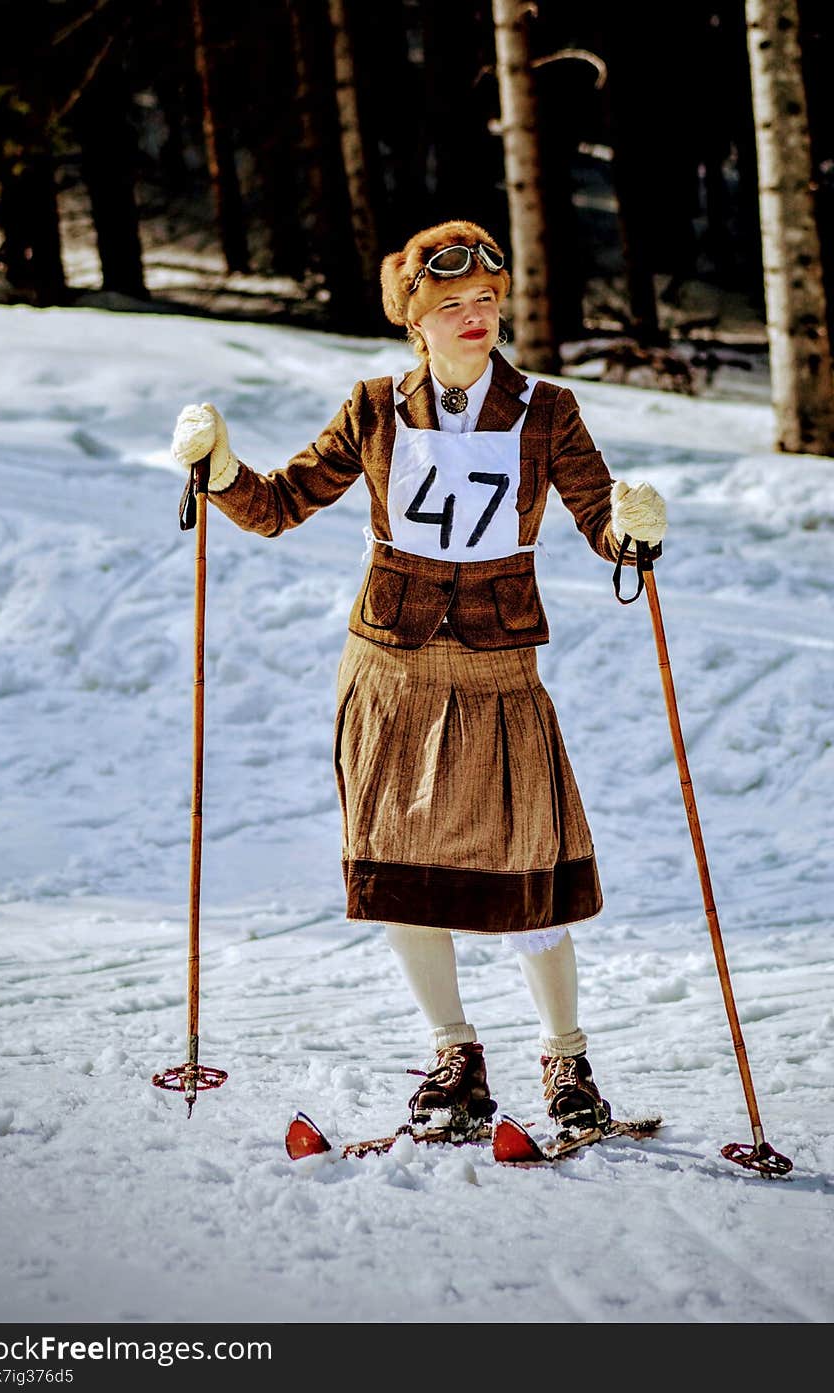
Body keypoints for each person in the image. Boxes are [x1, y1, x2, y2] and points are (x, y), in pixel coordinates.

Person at [171, 219, 667, 1139]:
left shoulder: (546, 410)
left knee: (526, 864)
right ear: (417, 321)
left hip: (497, 671)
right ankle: (455, 1052)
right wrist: (224, 471)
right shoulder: (373, 409)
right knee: (401, 867)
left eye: (487, 301)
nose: (477, 317)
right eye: (453, 305)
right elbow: (279, 505)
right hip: (389, 671)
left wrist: (629, 531)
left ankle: (566, 1056)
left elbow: (601, 515)